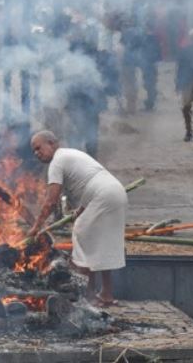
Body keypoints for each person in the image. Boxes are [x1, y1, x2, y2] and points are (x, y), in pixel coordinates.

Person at [28, 131, 127, 307]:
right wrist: (80, 210)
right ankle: (106, 294)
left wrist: (36, 226)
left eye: (39, 148)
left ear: (51, 143)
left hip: (102, 195)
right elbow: (89, 182)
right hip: (116, 192)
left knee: (81, 236)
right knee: (103, 243)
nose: (37, 153)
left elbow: (51, 200)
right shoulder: (72, 154)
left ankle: (87, 296)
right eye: (34, 151)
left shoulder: (57, 161)